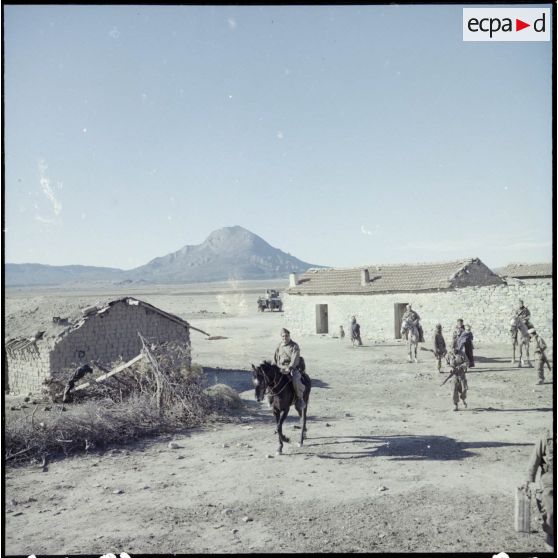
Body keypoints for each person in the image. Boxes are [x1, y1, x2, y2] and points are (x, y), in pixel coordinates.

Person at [525, 427, 554, 550]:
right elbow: (534, 459)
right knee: (551, 511)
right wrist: (528, 480)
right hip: (550, 481)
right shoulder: (547, 437)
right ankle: (551, 536)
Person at [273, 328, 306, 409]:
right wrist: (274, 366)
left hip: (292, 368)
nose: (285, 338)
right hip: (280, 367)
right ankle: (271, 397)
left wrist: (290, 368)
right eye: (283, 336)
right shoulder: (279, 345)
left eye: (286, 336)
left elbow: (295, 359)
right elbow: (275, 357)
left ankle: (299, 398)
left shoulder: (294, 346)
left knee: (295, 379)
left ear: (289, 336)